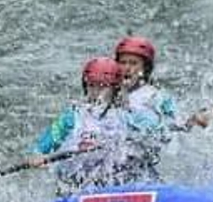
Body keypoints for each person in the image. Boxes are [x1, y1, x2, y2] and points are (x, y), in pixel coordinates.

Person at [27, 56, 158, 194]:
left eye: (102, 86)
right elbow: (48, 140)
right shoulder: (73, 116)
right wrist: (37, 155)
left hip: (114, 179)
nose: (96, 92)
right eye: (91, 85)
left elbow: (155, 129)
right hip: (77, 181)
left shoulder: (126, 116)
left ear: (115, 89)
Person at [113, 34, 209, 178]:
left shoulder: (157, 97)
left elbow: (176, 123)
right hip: (112, 162)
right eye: (123, 63)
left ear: (145, 68)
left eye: (133, 63)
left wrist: (192, 120)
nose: (126, 68)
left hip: (142, 162)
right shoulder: (108, 93)